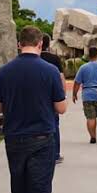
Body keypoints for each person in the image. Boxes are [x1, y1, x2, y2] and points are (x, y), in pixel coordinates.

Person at [0, 26, 67, 193]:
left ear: (19, 44)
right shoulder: (50, 71)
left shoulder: (4, 71)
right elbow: (61, 108)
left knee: (19, 191)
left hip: (14, 138)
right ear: (40, 44)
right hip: (42, 137)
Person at [72, 47, 97, 144]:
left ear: (88, 55)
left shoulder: (83, 68)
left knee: (90, 117)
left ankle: (93, 137)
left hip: (87, 94)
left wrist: (74, 94)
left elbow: (77, 82)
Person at [40, 35, 66, 164]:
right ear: (48, 44)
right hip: (52, 96)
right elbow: (61, 78)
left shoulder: (35, 58)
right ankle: (55, 154)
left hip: (37, 96)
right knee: (54, 124)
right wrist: (63, 95)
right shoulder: (54, 59)